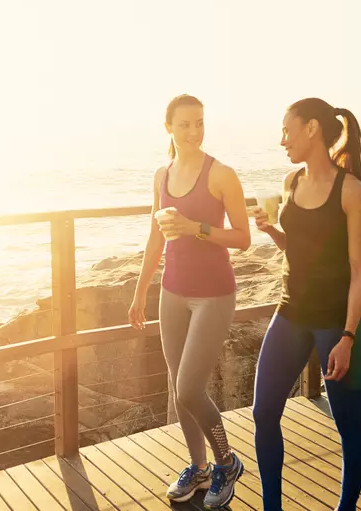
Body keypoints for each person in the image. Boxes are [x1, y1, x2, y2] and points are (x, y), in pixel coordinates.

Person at [251, 98, 361, 511]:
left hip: (334, 322)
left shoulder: (352, 192)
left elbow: (360, 273)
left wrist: (347, 336)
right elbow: (299, 252)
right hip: (290, 312)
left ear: (312, 130)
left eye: (288, 129)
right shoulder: (290, 183)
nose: (282, 139)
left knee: (347, 423)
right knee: (263, 413)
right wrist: (272, 231)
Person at [128, 94, 251, 509]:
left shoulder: (222, 175)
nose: (194, 131)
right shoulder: (161, 175)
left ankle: (226, 463)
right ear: (169, 128)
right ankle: (198, 468)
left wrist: (195, 227)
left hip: (214, 293)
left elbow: (243, 238)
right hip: (172, 292)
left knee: (190, 389)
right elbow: (154, 238)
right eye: (185, 125)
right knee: (178, 388)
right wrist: (140, 290)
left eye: (199, 122)